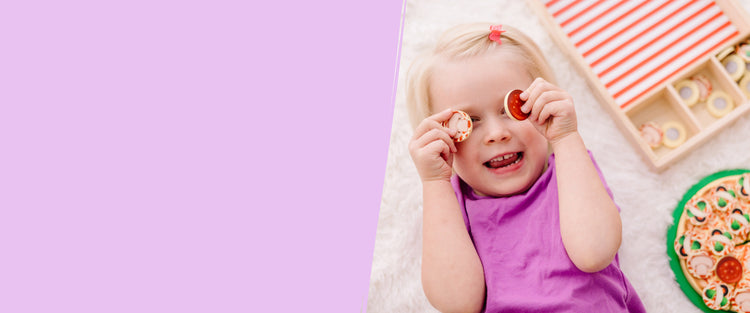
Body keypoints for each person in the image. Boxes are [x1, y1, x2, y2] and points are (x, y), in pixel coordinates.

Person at [406, 23, 647, 313]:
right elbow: (457, 303)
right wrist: (433, 182)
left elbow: (595, 253)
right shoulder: (451, 206)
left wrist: (566, 136)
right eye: (469, 120)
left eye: (510, 109)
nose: (496, 133)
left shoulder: (570, 172)